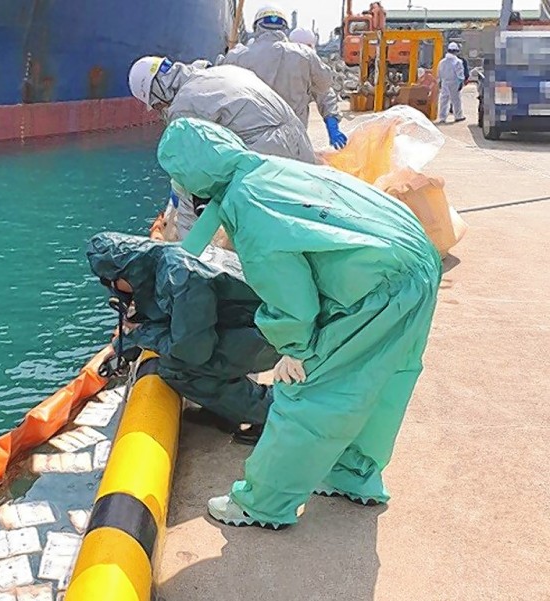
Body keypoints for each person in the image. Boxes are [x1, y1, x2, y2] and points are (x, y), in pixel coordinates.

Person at [156, 117, 441, 529]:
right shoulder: (265, 169)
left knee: (310, 391)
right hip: (415, 260)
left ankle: (264, 502)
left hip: (380, 281)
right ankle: (352, 472)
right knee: (381, 380)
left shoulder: (248, 206)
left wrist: (294, 347)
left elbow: (290, 294)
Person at [88, 232, 280, 444]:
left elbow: (192, 351)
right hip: (257, 324)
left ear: (122, 274)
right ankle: (227, 407)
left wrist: (141, 333)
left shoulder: (182, 276)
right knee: (184, 356)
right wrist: (125, 347)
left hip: (274, 334)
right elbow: (166, 317)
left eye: (109, 282)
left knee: (178, 369)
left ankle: (272, 414)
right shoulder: (165, 261)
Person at [128, 55, 316, 241]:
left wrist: (181, 193)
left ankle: (192, 251)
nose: (160, 108)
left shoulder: (182, 108)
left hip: (269, 156)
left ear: (158, 91)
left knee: (194, 192)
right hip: (301, 145)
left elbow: (193, 170)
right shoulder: (220, 71)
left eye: (156, 104)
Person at [219, 7, 348, 149]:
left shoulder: (237, 56)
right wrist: (332, 126)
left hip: (249, 142)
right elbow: (325, 88)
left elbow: (221, 93)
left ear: (256, 27)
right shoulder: (305, 55)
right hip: (294, 142)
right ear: (284, 28)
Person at [438, 42, 466, 123]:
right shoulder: (458, 62)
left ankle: (442, 118)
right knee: (456, 100)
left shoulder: (442, 62)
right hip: (454, 82)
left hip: (445, 82)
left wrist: (439, 81)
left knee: (444, 100)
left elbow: (439, 73)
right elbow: (460, 74)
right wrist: (461, 82)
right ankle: (458, 116)